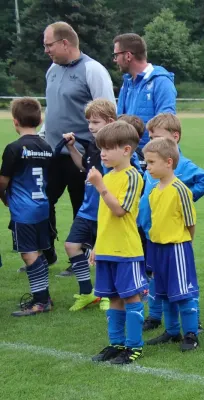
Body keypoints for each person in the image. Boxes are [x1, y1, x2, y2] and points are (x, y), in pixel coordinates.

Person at [42, 21, 115, 274]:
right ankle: (45, 251)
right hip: (52, 153)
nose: (46, 50)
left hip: (81, 155)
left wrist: (103, 149)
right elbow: (52, 109)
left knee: (80, 206)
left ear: (65, 43)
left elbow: (108, 111)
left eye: (49, 45)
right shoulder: (52, 69)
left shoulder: (92, 70)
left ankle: (80, 259)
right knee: (42, 202)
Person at [138, 113, 204, 332]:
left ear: (175, 136)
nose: (152, 141)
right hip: (151, 231)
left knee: (183, 282)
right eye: (150, 137)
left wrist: (184, 198)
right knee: (154, 278)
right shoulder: (152, 164)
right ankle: (155, 316)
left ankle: (193, 324)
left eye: (157, 137)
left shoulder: (182, 166)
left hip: (174, 237)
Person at [88, 121, 146, 365]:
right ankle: (116, 343)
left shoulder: (133, 176)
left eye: (109, 148)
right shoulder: (108, 176)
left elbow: (120, 211)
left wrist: (100, 186)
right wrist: (97, 246)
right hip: (107, 249)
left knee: (131, 297)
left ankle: (134, 347)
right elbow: (104, 218)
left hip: (126, 250)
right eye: (101, 148)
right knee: (112, 297)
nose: (103, 153)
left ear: (126, 150)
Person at [142, 137, 201, 351]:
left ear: (168, 162)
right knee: (163, 292)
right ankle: (172, 331)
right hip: (157, 249)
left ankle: (191, 334)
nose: (147, 167)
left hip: (177, 248)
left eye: (151, 162)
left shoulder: (180, 190)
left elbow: (190, 222)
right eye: (146, 163)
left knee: (183, 293)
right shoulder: (154, 191)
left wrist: (185, 245)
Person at [61, 99, 116, 312]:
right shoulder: (93, 146)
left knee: (105, 254)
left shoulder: (114, 149)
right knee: (71, 246)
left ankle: (107, 295)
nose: (91, 126)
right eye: (89, 122)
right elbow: (84, 167)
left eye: (95, 121)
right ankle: (87, 293)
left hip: (105, 211)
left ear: (110, 122)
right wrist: (73, 149)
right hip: (87, 210)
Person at [0, 98, 54, 316]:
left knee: (28, 254)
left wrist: (5, 198)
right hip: (42, 206)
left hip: (24, 210)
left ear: (15, 121)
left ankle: (40, 301)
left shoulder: (14, 148)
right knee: (38, 252)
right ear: (40, 119)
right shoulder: (46, 146)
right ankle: (44, 295)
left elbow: (3, 181)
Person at [113, 33, 177, 149]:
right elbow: (119, 122)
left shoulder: (161, 81)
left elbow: (166, 126)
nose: (114, 60)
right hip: (128, 156)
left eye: (116, 55)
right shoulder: (126, 83)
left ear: (128, 56)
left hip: (151, 158)